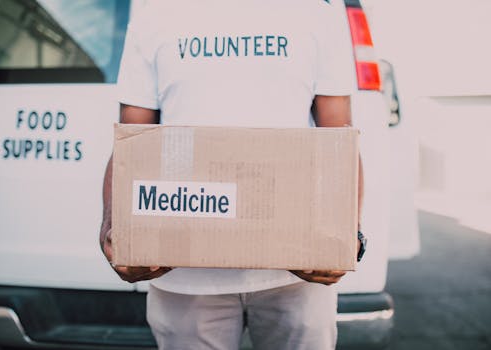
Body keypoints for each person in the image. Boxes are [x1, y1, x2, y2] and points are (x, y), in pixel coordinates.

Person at [100, 1, 365, 349]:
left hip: (295, 272)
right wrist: (112, 229)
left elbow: (339, 141)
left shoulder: (316, 12)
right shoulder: (156, 14)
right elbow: (131, 142)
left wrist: (349, 238)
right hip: (183, 272)